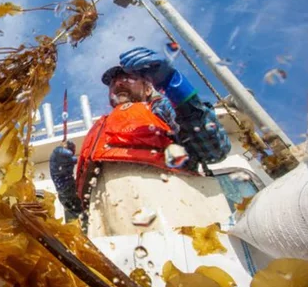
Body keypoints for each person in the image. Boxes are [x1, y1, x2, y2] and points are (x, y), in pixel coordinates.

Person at [69, 46, 231, 213]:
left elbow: (215, 150)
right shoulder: (98, 130)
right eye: (112, 83)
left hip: (169, 207)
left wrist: (172, 83)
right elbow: (79, 209)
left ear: (148, 88)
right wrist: (65, 183)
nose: (117, 83)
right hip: (106, 221)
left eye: (128, 77)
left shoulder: (160, 108)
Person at [49, 140, 85, 226]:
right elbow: (73, 159)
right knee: (81, 212)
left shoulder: (59, 156)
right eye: (73, 149)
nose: (74, 152)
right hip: (66, 189)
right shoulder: (61, 154)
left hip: (64, 192)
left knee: (78, 212)